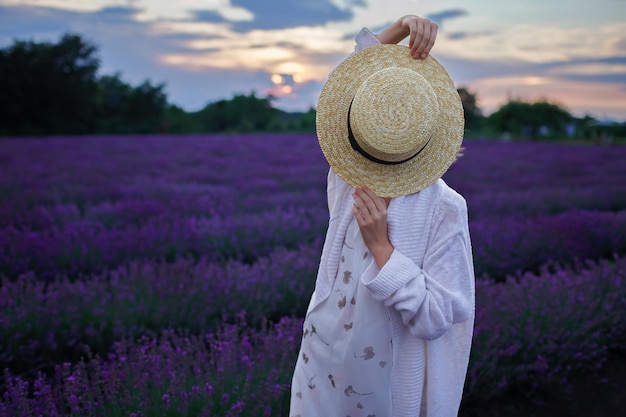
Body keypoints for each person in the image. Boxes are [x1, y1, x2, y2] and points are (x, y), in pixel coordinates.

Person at [289, 14, 475, 417]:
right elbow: (353, 82)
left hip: (382, 385)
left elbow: (440, 316)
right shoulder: (347, 176)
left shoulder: (443, 207)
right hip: (320, 361)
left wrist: (382, 250)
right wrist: (402, 27)